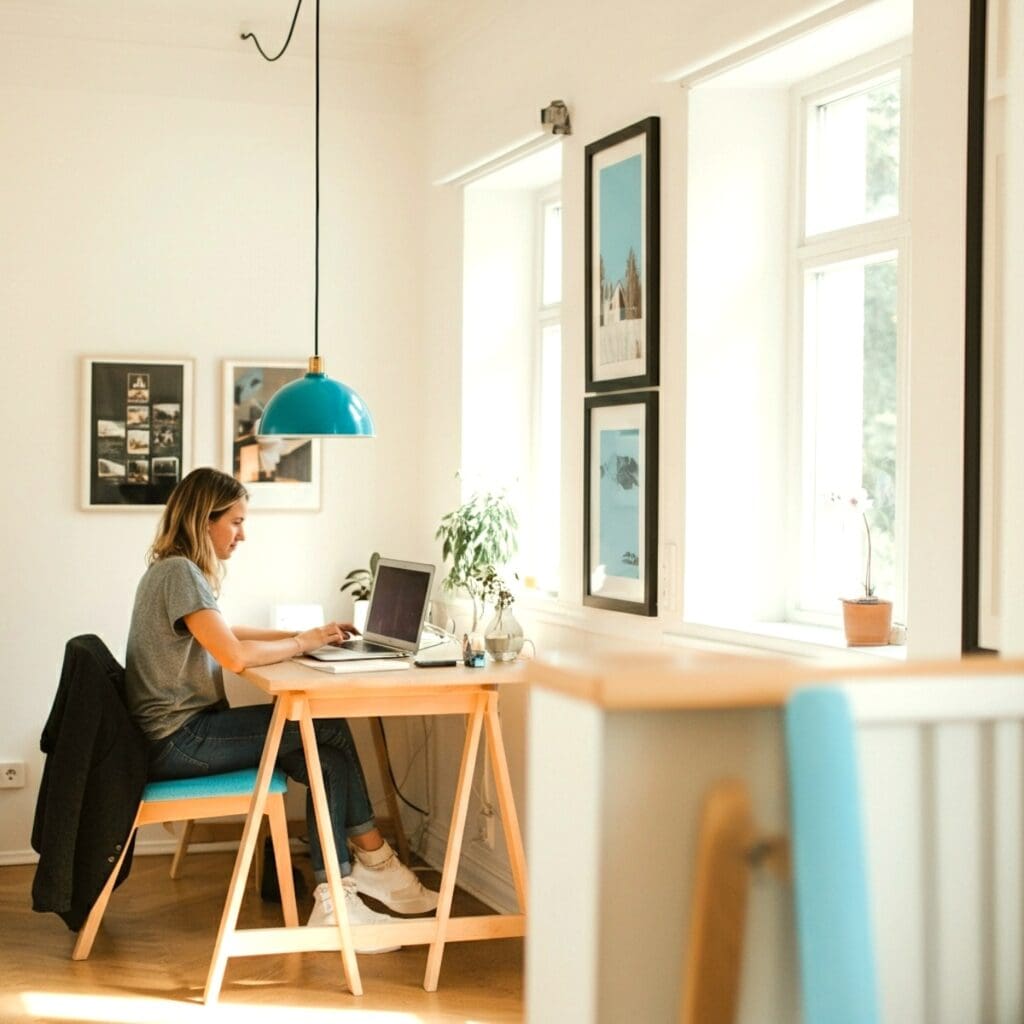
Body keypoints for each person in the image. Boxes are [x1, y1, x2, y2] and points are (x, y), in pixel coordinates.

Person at [124, 467, 437, 952]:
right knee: (325, 725)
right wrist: (302, 643)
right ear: (203, 520)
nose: (242, 535)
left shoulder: (171, 569)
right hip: (181, 741)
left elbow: (227, 632)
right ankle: (373, 863)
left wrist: (307, 635)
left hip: (179, 736)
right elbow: (233, 656)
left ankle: (336, 896)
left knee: (326, 758)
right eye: (235, 522)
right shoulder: (179, 573)